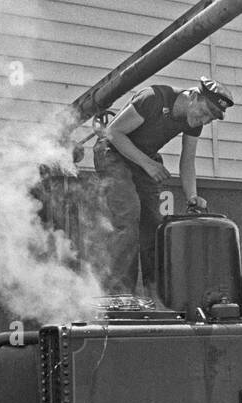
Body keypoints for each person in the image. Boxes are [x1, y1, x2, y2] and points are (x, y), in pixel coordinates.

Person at [90, 76, 234, 293]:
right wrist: (148, 164)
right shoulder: (153, 98)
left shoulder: (193, 122)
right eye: (204, 113)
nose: (204, 121)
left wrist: (192, 197)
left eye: (210, 119)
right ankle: (118, 296)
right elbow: (113, 132)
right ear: (193, 96)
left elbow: (187, 160)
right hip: (112, 153)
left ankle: (157, 295)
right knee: (128, 215)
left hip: (142, 160)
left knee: (155, 226)